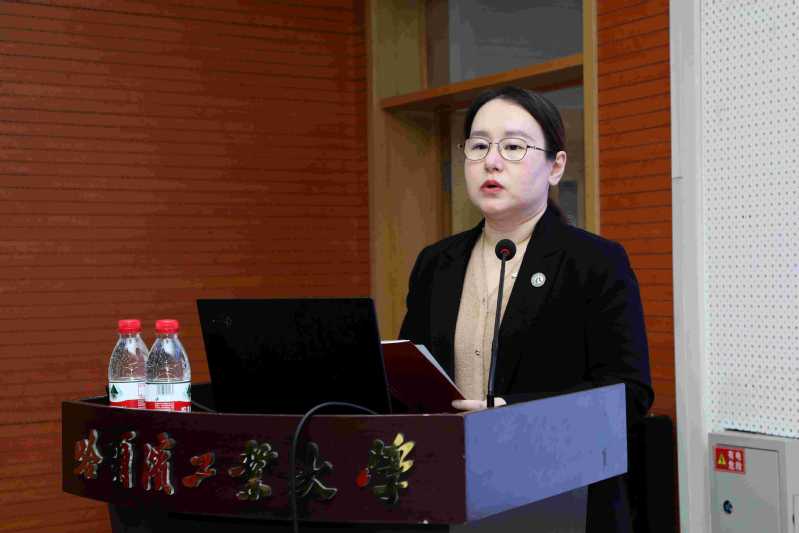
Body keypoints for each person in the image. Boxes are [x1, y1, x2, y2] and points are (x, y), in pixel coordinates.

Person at [398, 86, 653, 532]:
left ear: (556, 167)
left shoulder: (594, 262)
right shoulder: (437, 263)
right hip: (452, 496)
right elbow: (411, 379)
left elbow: (629, 393)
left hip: (561, 499)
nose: (491, 162)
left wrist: (508, 411)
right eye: (479, 146)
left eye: (513, 147)